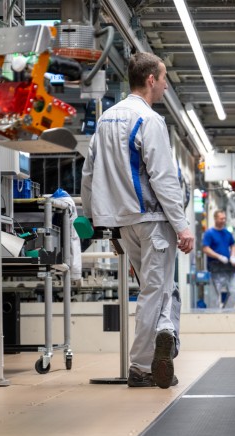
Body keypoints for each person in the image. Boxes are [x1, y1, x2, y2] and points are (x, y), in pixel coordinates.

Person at [81, 52, 195, 388]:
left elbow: (89, 174)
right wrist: (182, 225)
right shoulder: (149, 120)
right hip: (153, 218)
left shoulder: (105, 120)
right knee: (154, 292)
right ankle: (141, 365)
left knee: (160, 290)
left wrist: (94, 219)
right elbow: (163, 177)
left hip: (123, 222)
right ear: (150, 80)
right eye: (163, 79)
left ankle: (166, 338)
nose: (165, 85)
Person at [201, 210, 235, 309]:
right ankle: (213, 315)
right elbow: (205, 249)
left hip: (228, 267)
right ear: (215, 219)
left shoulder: (227, 233)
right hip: (215, 268)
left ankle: (227, 311)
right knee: (214, 295)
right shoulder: (209, 233)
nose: (223, 220)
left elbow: (233, 245)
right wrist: (219, 256)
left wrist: (233, 256)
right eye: (221, 218)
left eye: (224, 218)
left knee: (234, 290)